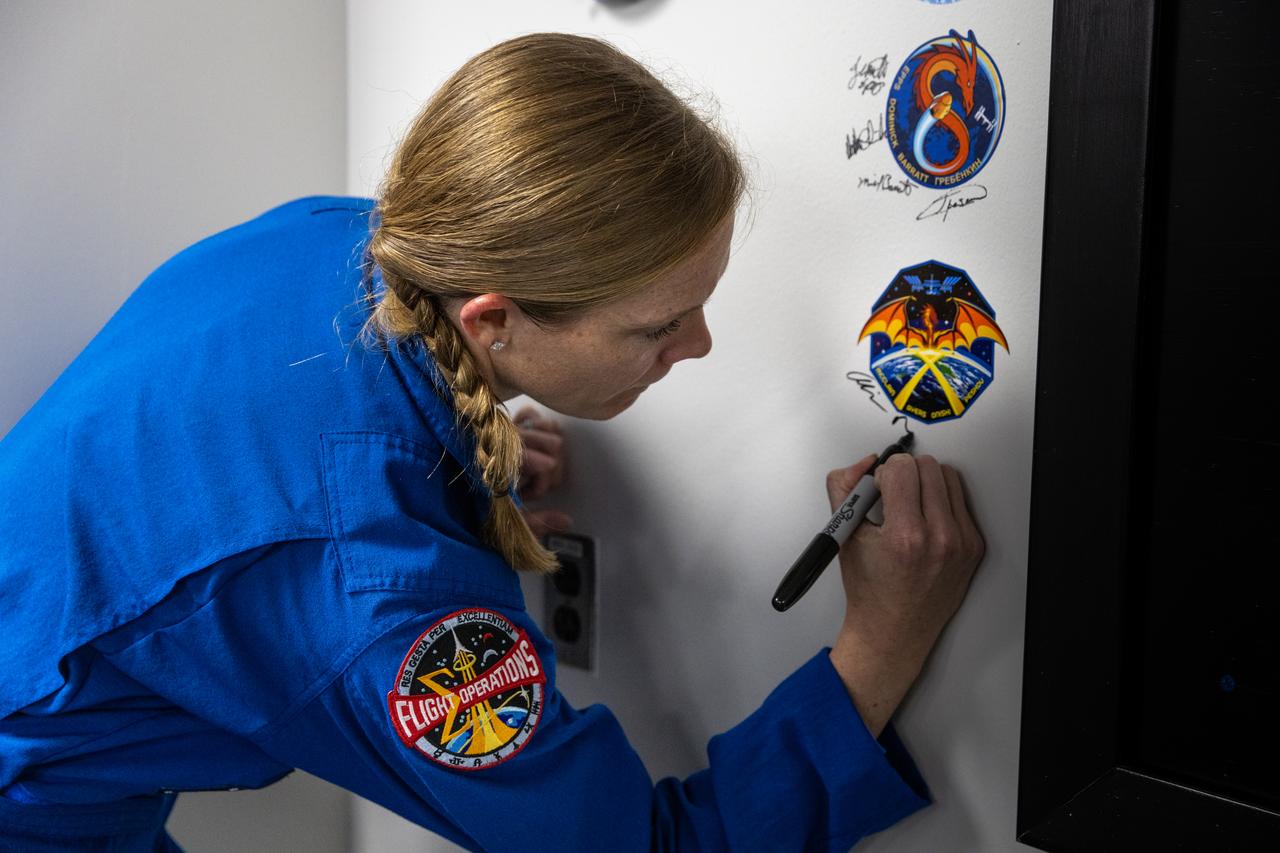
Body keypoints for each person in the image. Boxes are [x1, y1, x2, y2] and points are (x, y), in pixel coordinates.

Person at [0, 33, 983, 851]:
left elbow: (269, 454)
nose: (698, 346)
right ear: (494, 320)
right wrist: (877, 646)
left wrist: (461, 475)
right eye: (657, 325)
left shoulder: (339, 236)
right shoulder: (387, 602)